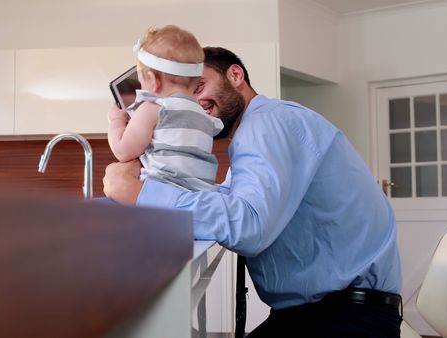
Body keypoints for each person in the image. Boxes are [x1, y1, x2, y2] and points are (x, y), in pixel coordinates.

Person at [103, 46, 403, 337]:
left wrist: (140, 193)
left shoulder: (267, 122)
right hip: (329, 313)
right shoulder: (260, 130)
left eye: (199, 87)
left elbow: (249, 224)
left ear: (235, 75)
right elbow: (234, 201)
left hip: (344, 319)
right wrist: (145, 179)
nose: (192, 103)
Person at [107, 25, 223, 192]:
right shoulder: (205, 116)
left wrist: (116, 120)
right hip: (196, 198)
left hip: (160, 195)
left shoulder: (153, 108)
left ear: (153, 80)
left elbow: (123, 152)